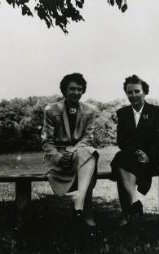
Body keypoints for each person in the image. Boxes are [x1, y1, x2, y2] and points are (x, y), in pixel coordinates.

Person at [41, 73, 98, 230]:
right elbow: (47, 141)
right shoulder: (51, 110)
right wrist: (58, 157)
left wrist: (74, 149)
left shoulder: (90, 110)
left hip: (80, 152)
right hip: (58, 156)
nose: (76, 92)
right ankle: (86, 213)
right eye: (72, 89)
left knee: (89, 152)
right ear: (64, 91)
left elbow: (88, 138)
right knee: (89, 156)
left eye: (80, 89)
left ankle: (79, 206)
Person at [111, 74, 159, 226]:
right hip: (132, 157)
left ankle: (127, 214)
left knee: (121, 163)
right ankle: (134, 203)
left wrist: (148, 155)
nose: (133, 95)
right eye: (130, 92)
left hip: (152, 159)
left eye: (137, 91)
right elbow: (121, 141)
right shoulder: (123, 113)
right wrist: (137, 151)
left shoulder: (157, 111)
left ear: (144, 92)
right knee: (122, 159)